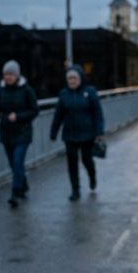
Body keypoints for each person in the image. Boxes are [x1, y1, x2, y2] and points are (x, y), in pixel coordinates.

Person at [0, 60, 39, 208]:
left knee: (17, 161)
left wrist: (19, 116)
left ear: (17, 75)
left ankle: (15, 193)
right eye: (6, 74)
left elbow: (34, 110)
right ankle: (24, 185)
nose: (8, 77)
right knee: (15, 165)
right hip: (6, 132)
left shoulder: (27, 90)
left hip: (23, 132)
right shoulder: (0, 91)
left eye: (11, 74)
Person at [50, 65, 104, 201]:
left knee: (86, 159)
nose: (72, 81)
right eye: (69, 79)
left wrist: (99, 132)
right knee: (72, 162)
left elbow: (97, 113)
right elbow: (58, 115)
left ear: (80, 79)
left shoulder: (90, 92)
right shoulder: (64, 94)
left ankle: (92, 176)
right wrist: (53, 133)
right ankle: (75, 190)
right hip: (70, 134)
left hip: (87, 133)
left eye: (74, 78)